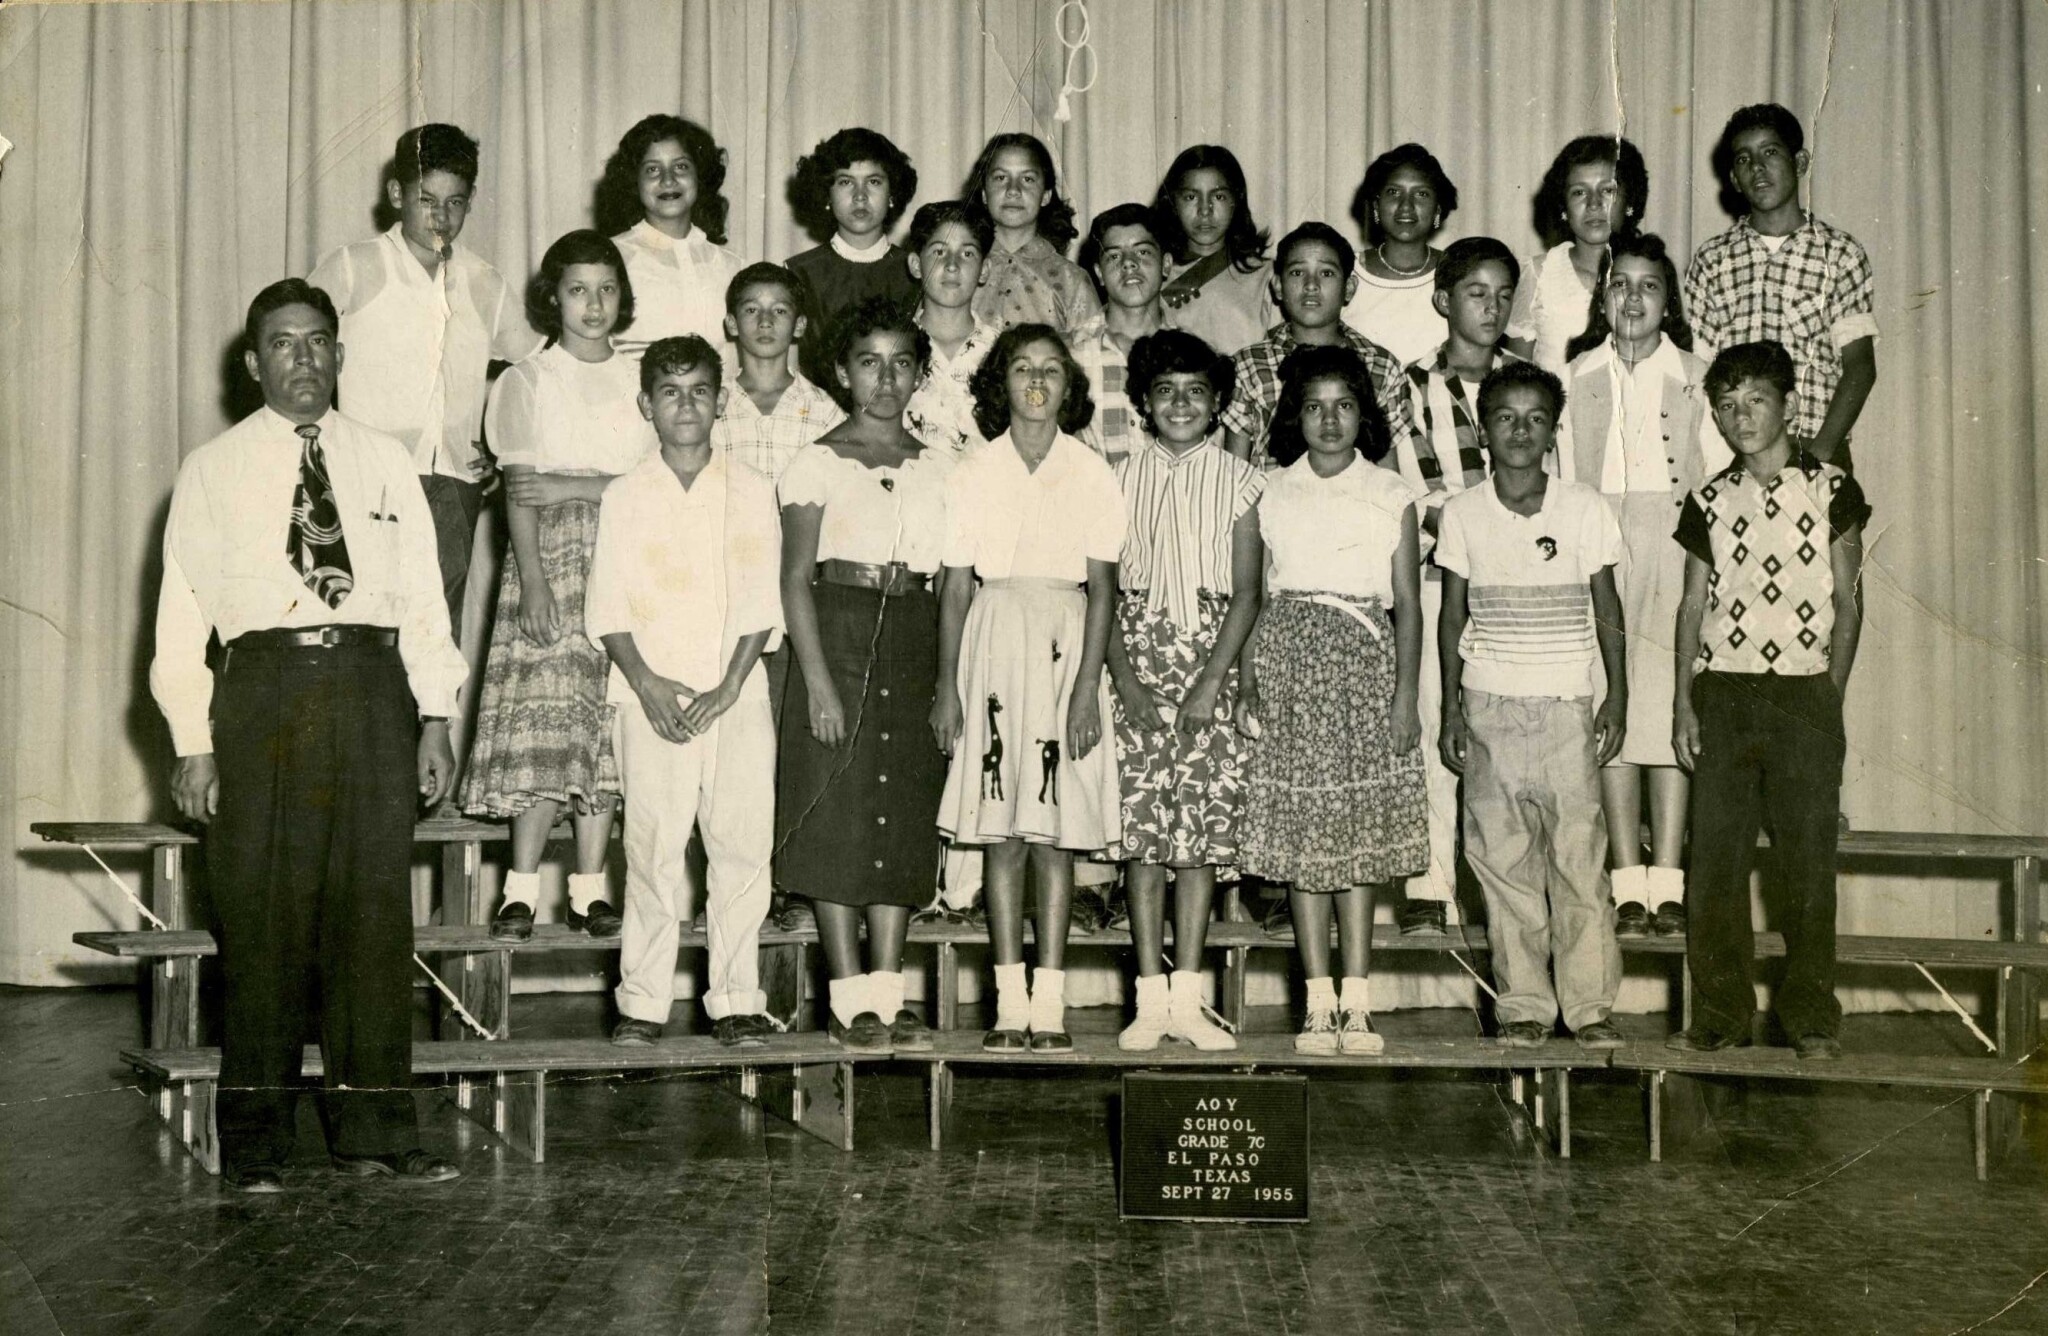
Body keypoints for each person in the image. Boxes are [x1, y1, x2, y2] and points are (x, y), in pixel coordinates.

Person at [152, 279, 468, 1191]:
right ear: (254, 363)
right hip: (262, 695)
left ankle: (375, 1130)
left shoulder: (383, 461)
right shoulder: (212, 468)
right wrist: (192, 740)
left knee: (373, 919)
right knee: (263, 921)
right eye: (283, 344)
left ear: (340, 354)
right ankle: (256, 1144)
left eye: (320, 342)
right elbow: (181, 620)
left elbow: (424, 604)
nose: (304, 359)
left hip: (373, 691)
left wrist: (436, 719)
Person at [1668, 340, 1869, 1059]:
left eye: (1755, 400)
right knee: (1714, 864)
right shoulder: (1709, 499)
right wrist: (1683, 705)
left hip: (1804, 696)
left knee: (1805, 867)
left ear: (1787, 402)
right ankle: (1721, 1014)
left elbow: (1848, 603)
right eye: (1726, 405)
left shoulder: (1831, 487)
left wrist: (1828, 699)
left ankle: (1810, 1016)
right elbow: (1691, 610)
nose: (1740, 416)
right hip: (1724, 693)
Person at [587, 336, 783, 1048]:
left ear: (721, 400)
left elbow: (762, 602)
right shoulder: (625, 494)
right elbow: (606, 607)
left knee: (738, 846)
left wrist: (729, 686)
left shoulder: (754, 488)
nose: (686, 404)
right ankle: (642, 1002)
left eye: (700, 389)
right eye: (670, 392)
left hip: (736, 695)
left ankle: (735, 1000)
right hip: (651, 701)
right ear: (646, 405)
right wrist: (648, 686)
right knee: (652, 849)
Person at [932, 324, 1123, 1052]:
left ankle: (1051, 1001)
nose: (1036, 381)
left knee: (1055, 834)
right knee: (1002, 832)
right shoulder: (972, 472)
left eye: (1051, 370)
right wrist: (948, 690)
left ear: (1069, 387)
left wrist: (1084, 691)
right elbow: (954, 589)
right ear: (1000, 384)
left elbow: (1103, 592)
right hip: (993, 641)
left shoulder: (1092, 472)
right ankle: (1008, 1002)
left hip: (1065, 644)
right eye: (1022, 368)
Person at [463, 231, 654, 942]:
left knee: (604, 721)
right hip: (549, 562)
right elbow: (521, 492)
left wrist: (580, 482)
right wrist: (536, 585)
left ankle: (589, 888)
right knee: (543, 722)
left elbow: (655, 483)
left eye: (607, 289)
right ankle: (519, 890)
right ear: (555, 298)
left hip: (627, 562)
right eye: (578, 290)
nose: (594, 304)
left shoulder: (643, 379)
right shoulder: (526, 380)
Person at [1238, 346, 1427, 1056]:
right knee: (1306, 847)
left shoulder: (1391, 494)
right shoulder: (1269, 490)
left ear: (1364, 415)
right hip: (1289, 665)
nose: (1328, 420)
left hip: (1365, 670)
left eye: (1343, 406)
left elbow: (1408, 604)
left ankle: (1359, 1002)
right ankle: (1317, 1005)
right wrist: (1250, 678)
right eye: (1313, 407)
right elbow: (1255, 594)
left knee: (1355, 844)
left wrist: (1406, 697)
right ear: (1296, 415)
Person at [777, 299, 952, 1054]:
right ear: (844, 372)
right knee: (841, 810)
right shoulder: (814, 461)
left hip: (913, 635)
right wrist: (817, 683)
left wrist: (948, 684)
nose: (886, 379)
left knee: (903, 806)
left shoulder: (940, 466)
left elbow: (953, 585)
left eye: (901, 362)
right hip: (838, 631)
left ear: (919, 373)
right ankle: (850, 1000)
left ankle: (890, 991)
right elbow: (792, 580)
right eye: (869, 362)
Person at [1436, 361, 1627, 1050]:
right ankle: (1523, 1005)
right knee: (1503, 863)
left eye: (1536, 419)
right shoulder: (1461, 514)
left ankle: (1590, 1007)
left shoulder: (1584, 508)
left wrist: (1617, 697)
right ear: (1484, 430)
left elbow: (1608, 609)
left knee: (1579, 863)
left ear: (1553, 430)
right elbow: (1451, 617)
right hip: (1490, 706)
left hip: (1567, 707)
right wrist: (1453, 711)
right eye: (1506, 418)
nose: (1521, 431)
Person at [1556, 233, 1732, 938]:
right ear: (1602, 297)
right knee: (1611, 701)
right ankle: (1628, 878)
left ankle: (1671, 880)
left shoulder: (1695, 373)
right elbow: (1566, 474)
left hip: (1675, 542)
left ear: (1669, 300)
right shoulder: (1575, 374)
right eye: (1620, 284)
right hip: (1600, 542)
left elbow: (1717, 479)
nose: (1633, 298)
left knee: (1668, 698)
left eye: (1649, 285)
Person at [308, 123, 543, 631]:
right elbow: (298, 340)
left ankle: (433, 717)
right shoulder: (355, 266)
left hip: (453, 485)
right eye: (426, 200)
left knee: (436, 632)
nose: (441, 216)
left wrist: (504, 450)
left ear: (471, 200)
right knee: (364, 623)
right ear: (397, 193)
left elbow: (536, 368)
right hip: (367, 479)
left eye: (455, 202)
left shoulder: (486, 283)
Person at [1109, 330, 1262, 1053]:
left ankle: (1190, 1000)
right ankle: (1146, 1000)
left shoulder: (1240, 480)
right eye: (1166, 391)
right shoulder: (1116, 477)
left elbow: (1247, 593)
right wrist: (1126, 678)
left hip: (1210, 660)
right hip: (1138, 657)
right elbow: (1101, 591)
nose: (1180, 404)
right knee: (1144, 839)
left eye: (1196, 392)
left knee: (1195, 843)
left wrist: (1211, 684)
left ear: (1219, 404)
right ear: (1144, 401)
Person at [1387, 236, 1525, 936]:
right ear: (1444, 299)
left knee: (1502, 736)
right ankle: (1428, 879)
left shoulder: (1527, 381)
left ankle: (1492, 881)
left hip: (1518, 590)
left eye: (1505, 295)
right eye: (1478, 293)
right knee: (1438, 724)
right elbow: (1412, 493)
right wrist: (1484, 521)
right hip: (1441, 584)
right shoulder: (1409, 387)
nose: (1492, 307)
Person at [1684, 104, 1878, 470]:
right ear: (1734, 178)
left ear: (1800, 162)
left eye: (1770, 152)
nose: (1757, 167)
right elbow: (1698, 369)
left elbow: (1860, 367)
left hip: (1816, 446)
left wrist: (1819, 453)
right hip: (1736, 457)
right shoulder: (1711, 259)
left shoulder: (1840, 253)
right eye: (1744, 158)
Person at [710, 262, 848, 727]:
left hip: (799, 606)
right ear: (731, 323)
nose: (765, 321)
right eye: (751, 309)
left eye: (779, 310)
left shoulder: (826, 413)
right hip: (728, 595)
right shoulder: (712, 407)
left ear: (800, 325)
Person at [1220, 222, 1414, 470]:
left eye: (1327, 273)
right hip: (1274, 505)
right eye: (1298, 273)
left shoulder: (1381, 366)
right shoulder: (1247, 366)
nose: (1311, 285)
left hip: (1357, 506)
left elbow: (1388, 470)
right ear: (1278, 286)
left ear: (1349, 288)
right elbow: (1235, 470)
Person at [600, 114, 744, 362]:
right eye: (653, 169)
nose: (668, 180)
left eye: (681, 166)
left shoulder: (734, 267)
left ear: (699, 176)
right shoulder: (609, 259)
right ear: (635, 181)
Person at [785, 127, 921, 383]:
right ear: (827, 194)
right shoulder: (798, 273)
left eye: (874, 182)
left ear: (892, 194)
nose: (860, 196)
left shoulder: (915, 271)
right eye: (846, 182)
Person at [1505, 134, 1650, 373]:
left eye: (1607, 190)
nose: (1594, 204)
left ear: (1630, 202)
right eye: (1579, 192)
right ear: (1564, 208)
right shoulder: (1538, 274)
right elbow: (1516, 378)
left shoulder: (1651, 273)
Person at [960, 133, 1102, 335]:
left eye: (1027, 179)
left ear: (1046, 195)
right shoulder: (958, 269)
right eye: (1001, 178)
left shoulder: (1072, 280)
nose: (1013, 190)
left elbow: (1093, 359)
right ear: (984, 193)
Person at [1066, 203, 1173, 467]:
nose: (1129, 264)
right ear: (1100, 273)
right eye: (1114, 256)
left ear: (1166, 264)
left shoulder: (1195, 353)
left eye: (1143, 252)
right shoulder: (1069, 353)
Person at [1341, 143, 1461, 367]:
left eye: (1422, 194)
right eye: (1393, 192)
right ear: (1376, 205)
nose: (1406, 206)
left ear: (1437, 209)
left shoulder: (1459, 271)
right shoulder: (1345, 271)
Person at [1151, 145, 1276, 357]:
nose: (1205, 210)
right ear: (1173, 203)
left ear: (1235, 201)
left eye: (1218, 196)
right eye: (1191, 197)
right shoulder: (1155, 275)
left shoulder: (1267, 276)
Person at [902, 200, 1002, 464]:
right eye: (938, 252)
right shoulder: (892, 347)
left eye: (967, 253)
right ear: (915, 265)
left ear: (984, 270)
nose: (952, 265)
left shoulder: (1004, 351)